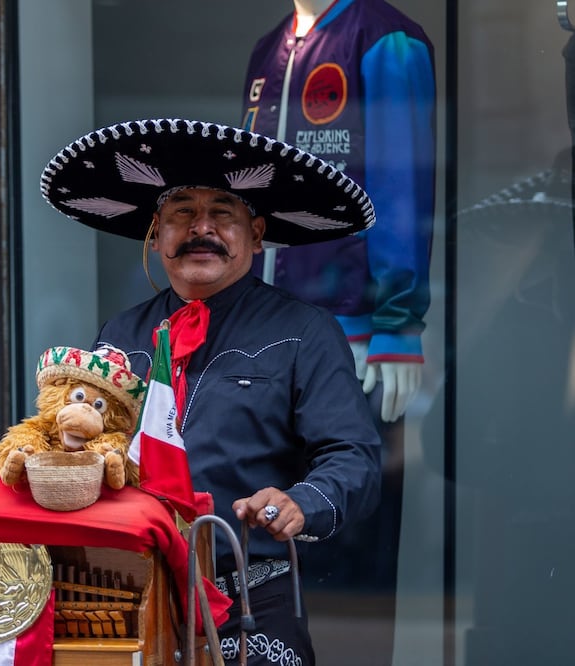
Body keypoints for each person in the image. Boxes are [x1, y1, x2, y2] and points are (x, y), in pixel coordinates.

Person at [40, 117, 382, 665]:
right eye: (181, 214)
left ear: (257, 232)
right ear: (157, 235)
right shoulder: (119, 336)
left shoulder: (306, 332)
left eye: (223, 212)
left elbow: (354, 459)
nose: (202, 228)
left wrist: (300, 502)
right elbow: (77, 445)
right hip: (124, 593)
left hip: (252, 596)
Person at [241, 2, 436, 659]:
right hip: (267, 337)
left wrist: (397, 325)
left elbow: (401, 181)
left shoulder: (385, 40)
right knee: (271, 538)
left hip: (353, 338)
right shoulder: (269, 50)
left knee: (346, 535)